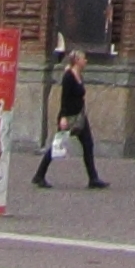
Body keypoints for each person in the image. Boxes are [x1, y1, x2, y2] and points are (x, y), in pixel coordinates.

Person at [31, 44, 103, 191]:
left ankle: (93, 178)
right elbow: (64, 98)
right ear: (76, 60)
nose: (86, 61)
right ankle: (39, 175)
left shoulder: (79, 75)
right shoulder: (68, 77)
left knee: (88, 145)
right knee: (57, 146)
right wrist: (63, 117)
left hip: (80, 116)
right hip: (69, 116)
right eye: (84, 59)